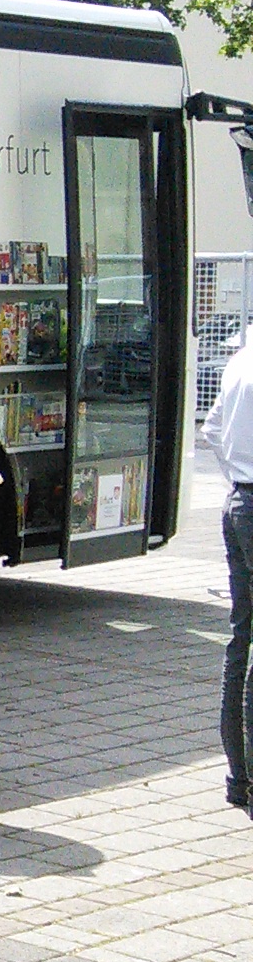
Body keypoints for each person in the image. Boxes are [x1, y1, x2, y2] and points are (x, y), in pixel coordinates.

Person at [204, 327, 253, 813]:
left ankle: (240, 778)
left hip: (240, 500)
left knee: (241, 639)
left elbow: (213, 428)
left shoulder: (241, 359)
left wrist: (238, 478)